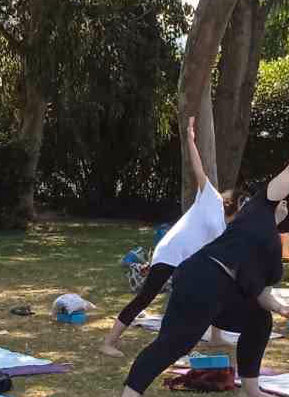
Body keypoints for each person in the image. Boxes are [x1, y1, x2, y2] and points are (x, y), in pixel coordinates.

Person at [112, 129, 289, 397]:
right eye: (283, 197)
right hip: (202, 276)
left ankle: (250, 389)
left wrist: (282, 309)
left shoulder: (271, 246)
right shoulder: (258, 208)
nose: (285, 200)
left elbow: (260, 292)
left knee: (259, 318)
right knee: (176, 341)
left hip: (226, 291)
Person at [101, 118, 243, 358]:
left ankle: (216, 336)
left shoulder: (228, 230)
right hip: (170, 252)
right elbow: (199, 169)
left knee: (219, 289)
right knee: (146, 297)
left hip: (186, 261)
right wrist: (190, 139)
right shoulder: (211, 198)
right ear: (233, 204)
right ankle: (108, 342)